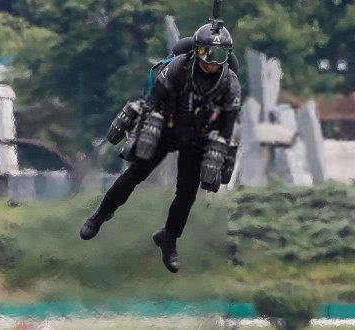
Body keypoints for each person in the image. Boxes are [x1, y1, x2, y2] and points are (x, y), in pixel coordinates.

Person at [79, 18, 242, 273]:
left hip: (198, 139)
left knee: (187, 194)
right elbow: (151, 102)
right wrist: (139, 138)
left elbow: (227, 128)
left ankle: (169, 237)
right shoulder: (177, 68)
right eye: (205, 53)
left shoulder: (230, 84)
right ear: (196, 51)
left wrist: (221, 160)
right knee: (133, 175)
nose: (211, 61)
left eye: (218, 55)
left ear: (226, 55)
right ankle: (100, 215)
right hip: (166, 127)